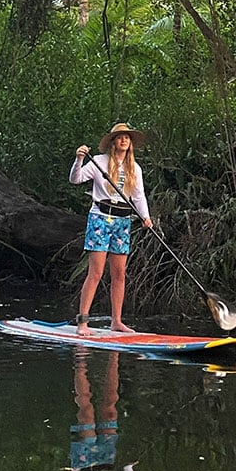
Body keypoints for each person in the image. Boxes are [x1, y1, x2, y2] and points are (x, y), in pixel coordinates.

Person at [70, 122, 153, 335]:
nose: (124, 140)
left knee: (119, 274)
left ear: (130, 142)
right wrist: (79, 159)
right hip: (100, 219)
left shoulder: (135, 168)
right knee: (96, 272)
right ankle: (83, 322)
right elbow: (76, 179)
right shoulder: (99, 162)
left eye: (127, 137)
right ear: (113, 142)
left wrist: (146, 217)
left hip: (122, 222)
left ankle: (116, 321)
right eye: (119, 137)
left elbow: (138, 196)